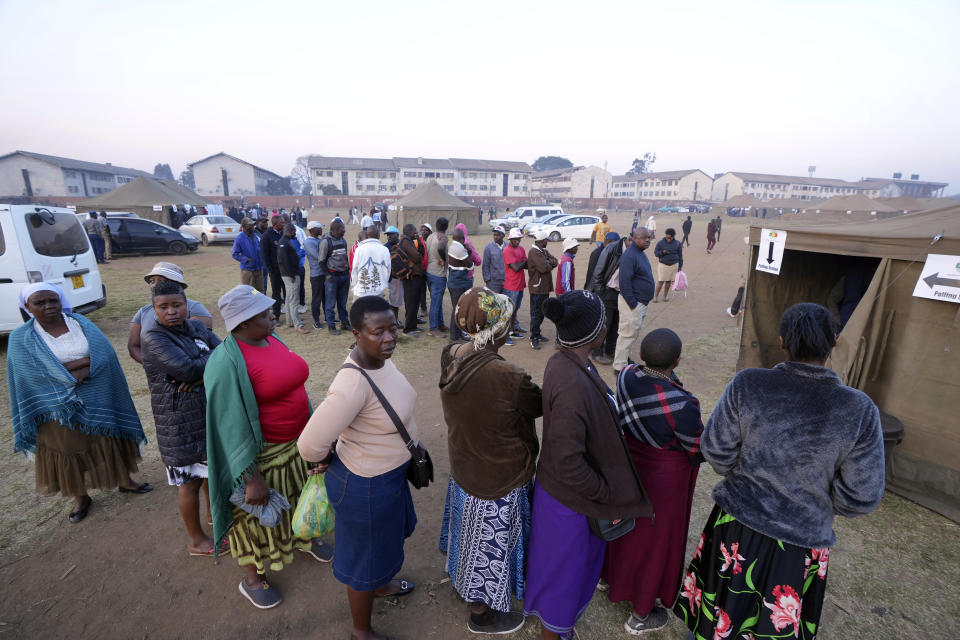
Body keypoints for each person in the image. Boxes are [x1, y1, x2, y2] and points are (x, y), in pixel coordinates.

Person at [674, 303, 885, 639]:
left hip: (736, 530)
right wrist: (819, 497)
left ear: (783, 341)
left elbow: (716, 450)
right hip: (802, 543)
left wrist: (740, 471)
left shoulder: (749, 383)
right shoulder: (858, 409)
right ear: (833, 343)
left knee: (717, 618)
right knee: (773, 628)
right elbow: (861, 496)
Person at [524, 290, 653, 639]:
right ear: (594, 331)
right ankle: (554, 632)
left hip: (574, 498)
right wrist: (605, 494)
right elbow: (568, 461)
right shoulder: (570, 383)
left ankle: (560, 630)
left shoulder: (570, 361)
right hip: (569, 505)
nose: (608, 323)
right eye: (603, 319)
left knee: (572, 575)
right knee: (561, 582)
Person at [298, 295, 421, 640]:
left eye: (392, 329)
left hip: (388, 478)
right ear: (356, 333)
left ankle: (380, 585)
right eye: (377, 332)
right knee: (364, 559)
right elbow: (308, 444)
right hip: (366, 486)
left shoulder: (381, 361)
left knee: (381, 544)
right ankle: (361, 631)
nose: (389, 338)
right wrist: (326, 457)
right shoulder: (351, 383)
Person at [204, 285, 334, 610]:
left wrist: (314, 439)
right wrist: (251, 478)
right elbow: (227, 427)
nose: (271, 314)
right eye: (263, 313)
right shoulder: (224, 363)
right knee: (253, 517)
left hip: (297, 446)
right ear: (243, 323)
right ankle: (251, 577)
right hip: (262, 459)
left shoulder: (272, 339)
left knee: (297, 499)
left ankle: (304, 538)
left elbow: (296, 388)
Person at [438, 287, 541, 634]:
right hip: (500, 477)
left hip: (465, 467)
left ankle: (465, 582)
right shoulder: (509, 376)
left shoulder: (451, 354)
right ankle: (483, 613)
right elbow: (538, 405)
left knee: (470, 536)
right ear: (500, 328)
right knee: (491, 546)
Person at [8, 283, 150, 524]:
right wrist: (78, 369)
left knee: (109, 437)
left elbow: (103, 355)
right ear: (27, 307)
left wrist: (70, 371)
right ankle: (81, 497)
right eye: (40, 303)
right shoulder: (21, 338)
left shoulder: (80, 323)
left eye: (53, 300)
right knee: (68, 449)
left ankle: (125, 482)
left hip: (98, 393)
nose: (48, 307)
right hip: (56, 407)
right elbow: (31, 374)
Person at [602, 328, 703, 633]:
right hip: (664, 480)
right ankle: (641, 614)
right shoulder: (684, 403)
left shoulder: (626, 375)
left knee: (626, 528)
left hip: (629, 466)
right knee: (656, 542)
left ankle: (609, 578)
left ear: (642, 356)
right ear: (678, 360)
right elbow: (696, 447)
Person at [141, 281, 222, 555]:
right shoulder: (153, 337)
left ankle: (215, 516)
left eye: (177, 305)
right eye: (163, 307)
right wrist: (200, 371)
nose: (172, 311)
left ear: (186, 305)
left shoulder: (195, 327)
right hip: (178, 420)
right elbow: (185, 369)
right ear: (154, 310)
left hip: (204, 411)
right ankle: (196, 540)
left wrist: (199, 376)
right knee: (189, 481)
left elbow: (225, 351)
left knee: (210, 471)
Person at [128, 263, 213, 363]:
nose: (155, 285)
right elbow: (133, 346)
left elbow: (202, 345)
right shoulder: (143, 311)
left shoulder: (195, 308)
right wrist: (155, 366)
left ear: (177, 284)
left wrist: (179, 367)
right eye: (152, 281)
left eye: (161, 280)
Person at [613, 228, 654, 373]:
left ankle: (626, 359)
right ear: (635, 238)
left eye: (649, 237)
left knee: (633, 333)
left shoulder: (640, 253)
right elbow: (624, 283)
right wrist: (633, 304)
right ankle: (619, 367)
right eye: (644, 238)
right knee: (627, 334)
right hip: (632, 303)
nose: (648, 240)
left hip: (640, 302)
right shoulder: (630, 256)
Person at [319, 218, 351, 335]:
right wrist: (328, 276)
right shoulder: (326, 242)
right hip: (332, 277)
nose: (344, 231)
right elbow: (321, 261)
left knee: (343, 302)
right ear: (336, 230)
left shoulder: (343, 240)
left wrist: (347, 272)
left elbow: (345, 257)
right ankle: (331, 326)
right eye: (343, 229)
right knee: (330, 303)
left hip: (344, 276)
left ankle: (344, 322)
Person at [527, 230, 558, 350]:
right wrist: (549, 263)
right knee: (536, 313)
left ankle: (537, 333)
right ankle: (533, 337)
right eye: (546, 240)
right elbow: (544, 268)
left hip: (543, 288)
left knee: (541, 312)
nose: (547, 242)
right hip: (537, 288)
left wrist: (549, 262)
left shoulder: (542, 251)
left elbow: (555, 260)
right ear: (541, 241)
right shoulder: (534, 252)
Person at [278, 223, 308, 333]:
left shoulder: (285, 242)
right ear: (288, 231)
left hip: (289, 274)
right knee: (294, 299)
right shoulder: (284, 243)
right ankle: (298, 324)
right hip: (290, 275)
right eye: (293, 231)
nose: (295, 233)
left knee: (289, 298)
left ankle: (290, 320)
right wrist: (291, 275)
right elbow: (284, 261)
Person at [398, 223, 426, 336]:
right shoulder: (405, 241)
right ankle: (408, 329)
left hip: (415, 275)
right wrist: (418, 256)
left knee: (415, 302)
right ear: (408, 231)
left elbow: (422, 254)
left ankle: (413, 325)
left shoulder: (411, 240)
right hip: (410, 277)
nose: (416, 233)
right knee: (411, 303)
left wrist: (418, 239)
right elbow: (417, 257)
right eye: (414, 231)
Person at [425, 217, 449, 335]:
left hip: (429, 271)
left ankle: (440, 324)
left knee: (437, 300)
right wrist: (443, 258)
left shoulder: (431, 236)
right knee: (435, 301)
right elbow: (440, 247)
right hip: (438, 273)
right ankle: (433, 328)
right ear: (446, 227)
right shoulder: (442, 237)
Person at [351, 225, 391, 299]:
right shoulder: (385, 250)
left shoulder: (359, 249)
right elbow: (388, 270)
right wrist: (383, 284)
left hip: (361, 292)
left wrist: (355, 284)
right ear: (379, 235)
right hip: (379, 291)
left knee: (360, 310)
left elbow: (354, 269)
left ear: (367, 235)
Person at [445, 238, 472, 342]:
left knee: (457, 310)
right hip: (458, 284)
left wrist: (468, 251)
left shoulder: (452, 246)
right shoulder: (460, 250)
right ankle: (454, 337)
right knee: (457, 311)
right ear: (462, 239)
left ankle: (458, 334)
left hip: (453, 282)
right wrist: (469, 251)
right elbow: (470, 265)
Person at [503, 227, 527, 337]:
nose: (517, 241)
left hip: (520, 284)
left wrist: (521, 263)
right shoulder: (507, 250)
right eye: (515, 239)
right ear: (510, 239)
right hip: (511, 285)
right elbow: (516, 268)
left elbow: (525, 264)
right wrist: (522, 262)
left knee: (515, 310)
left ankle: (512, 331)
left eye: (519, 239)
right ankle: (506, 335)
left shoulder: (521, 249)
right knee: (509, 311)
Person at [261, 215, 286, 318]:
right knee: (276, 293)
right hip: (275, 271)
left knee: (288, 292)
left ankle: (290, 314)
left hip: (285, 270)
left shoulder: (284, 234)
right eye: (282, 223)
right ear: (275, 224)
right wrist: (271, 269)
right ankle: (276, 315)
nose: (284, 224)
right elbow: (264, 255)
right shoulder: (266, 236)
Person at [232, 218, 265, 292]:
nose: (253, 227)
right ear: (245, 227)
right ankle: (252, 303)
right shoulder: (239, 238)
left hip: (259, 269)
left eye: (253, 225)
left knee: (260, 290)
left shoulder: (255, 236)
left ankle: (259, 303)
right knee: (250, 292)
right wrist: (246, 259)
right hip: (248, 270)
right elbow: (235, 254)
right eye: (251, 225)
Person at [652, 227, 684, 303]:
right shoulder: (660, 243)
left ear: (673, 237)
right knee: (660, 281)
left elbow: (680, 255)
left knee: (668, 282)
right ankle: (655, 297)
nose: (668, 239)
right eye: (667, 237)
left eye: (670, 238)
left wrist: (680, 266)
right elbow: (656, 253)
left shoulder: (678, 243)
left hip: (674, 265)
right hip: (663, 265)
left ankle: (665, 297)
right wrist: (663, 252)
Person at [304, 221, 326, 330]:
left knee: (326, 297)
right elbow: (318, 257)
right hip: (316, 274)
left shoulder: (319, 240)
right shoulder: (308, 242)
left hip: (324, 273)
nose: (321, 230)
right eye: (319, 228)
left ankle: (327, 317)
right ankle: (316, 321)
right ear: (313, 230)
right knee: (317, 298)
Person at [584, 231, 617, 297]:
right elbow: (594, 274)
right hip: (594, 290)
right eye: (616, 243)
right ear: (610, 242)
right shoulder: (598, 253)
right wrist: (601, 292)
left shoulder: (607, 252)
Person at [384, 226, 404, 324]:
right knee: (395, 300)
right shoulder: (385, 247)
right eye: (388, 235)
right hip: (394, 277)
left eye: (391, 234)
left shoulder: (402, 244)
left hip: (405, 276)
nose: (389, 237)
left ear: (397, 234)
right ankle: (394, 320)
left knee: (400, 299)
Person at [482, 226, 506, 293]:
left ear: (503, 235)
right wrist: (487, 280)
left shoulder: (508, 246)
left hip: (507, 281)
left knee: (505, 302)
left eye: (498, 235)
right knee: (494, 302)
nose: (495, 237)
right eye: (494, 235)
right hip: (493, 283)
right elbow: (485, 265)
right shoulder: (488, 247)